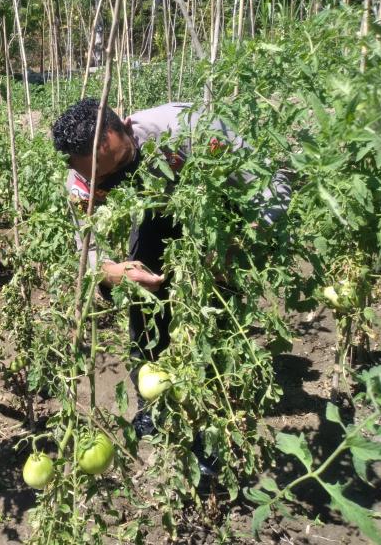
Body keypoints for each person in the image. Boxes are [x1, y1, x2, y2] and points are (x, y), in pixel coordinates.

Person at [52, 99, 290, 472]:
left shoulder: (190, 130)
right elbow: (85, 248)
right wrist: (110, 271)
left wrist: (238, 244)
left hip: (216, 215)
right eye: (104, 179)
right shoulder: (82, 178)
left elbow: (270, 186)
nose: (112, 180)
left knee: (213, 326)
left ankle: (211, 433)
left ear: (126, 127)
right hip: (157, 218)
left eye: (120, 165)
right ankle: (154, 406)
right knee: (144, 313)